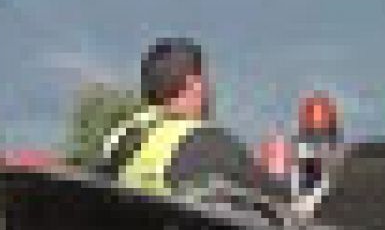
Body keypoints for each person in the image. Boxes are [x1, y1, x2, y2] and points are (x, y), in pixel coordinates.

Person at [97, 38, 287, 201]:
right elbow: (281, 204)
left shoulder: (119, 138)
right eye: (205, 80)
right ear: (193, 83)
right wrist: (277, 171)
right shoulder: (210, 142)